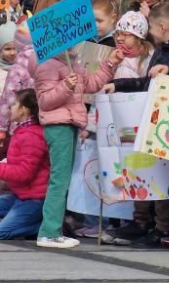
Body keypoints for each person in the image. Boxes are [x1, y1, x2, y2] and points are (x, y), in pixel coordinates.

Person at [105, 4, 169, 248]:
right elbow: (146, 82)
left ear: (161, 27)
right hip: (152, 119)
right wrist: (118, 85)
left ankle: (162, 227)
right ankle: (143, 222)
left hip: (164, 122)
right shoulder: (163, 50)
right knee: (142, 169)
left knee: (161, 174)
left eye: (150, 26)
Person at [31, 46, 122, 248]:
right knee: (59, 180)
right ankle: (48, 232)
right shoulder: (47, 64)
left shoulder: (71, 61)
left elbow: (90, 84)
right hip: (58, 126)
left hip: (69, 123)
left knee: (63, 180)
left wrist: (110, 63)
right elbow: (45, 101)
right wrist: (65, 86)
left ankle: (53, 230)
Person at [0, 90, 49, 239]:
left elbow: (24, 173)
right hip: (19, 195)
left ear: (23, 110)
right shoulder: (22, 131)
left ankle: (44, 227)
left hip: (34, 199)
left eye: (14, 104)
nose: (11, 107)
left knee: (2, 232)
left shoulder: (31, 135)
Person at [0, 21, 34, 142]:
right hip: (34, 124)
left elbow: (8, 99)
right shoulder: (39, 62)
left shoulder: (18, 68)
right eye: (7, 49)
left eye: (15, 48)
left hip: (16, 123)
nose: (12, 52)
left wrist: (2, 128)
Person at [112, 12, 155, 80]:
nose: (118, 38)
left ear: (138, 37)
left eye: (124, 35)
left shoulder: (149, 57)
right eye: (117, 34)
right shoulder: (114, 53)